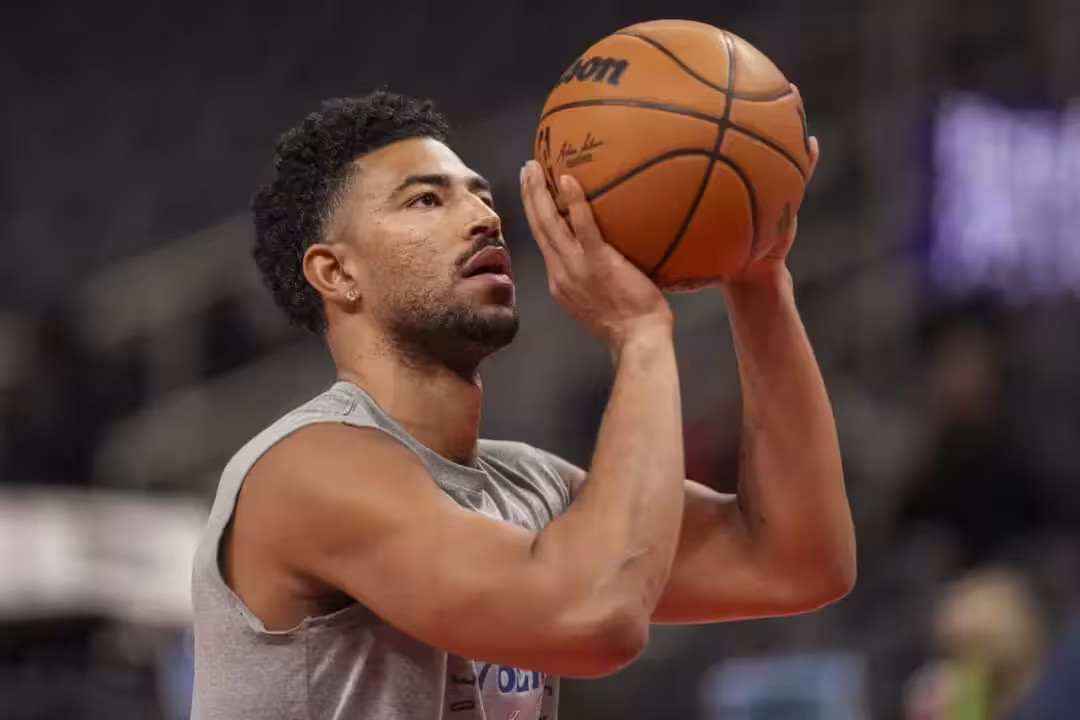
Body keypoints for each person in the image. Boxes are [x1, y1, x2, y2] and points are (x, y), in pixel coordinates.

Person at [190, 91, 855, 720]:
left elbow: (798, 562)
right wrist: (639, 335)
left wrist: (758, 277)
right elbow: (593, 620)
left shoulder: (529, 486)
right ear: (336, 273)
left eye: (482, 196)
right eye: (426, 200)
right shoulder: (304, 472)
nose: (485, 218)